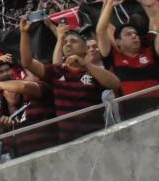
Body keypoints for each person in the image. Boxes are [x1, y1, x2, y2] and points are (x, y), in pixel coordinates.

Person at [20, 16, 120, 144]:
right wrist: (24, 33)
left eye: (73, 41)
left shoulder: (93, 72)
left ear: (85, 49)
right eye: (66, 42)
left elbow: (115, 83)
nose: (68, 44)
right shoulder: (56, 71)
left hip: (97, 137)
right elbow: (27, 62)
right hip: (69, 142)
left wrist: (86, 65)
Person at [96, 0, 159, 116]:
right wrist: (108, 4)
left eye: (135, 33)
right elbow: (101, 30)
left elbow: (156, 24)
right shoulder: (112, 56)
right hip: (131, 119)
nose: (134, 35)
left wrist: (150, 5)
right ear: (118, 41)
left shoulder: (150, 50)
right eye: (128, 34)